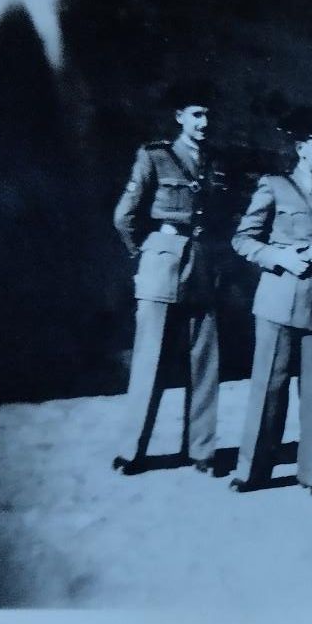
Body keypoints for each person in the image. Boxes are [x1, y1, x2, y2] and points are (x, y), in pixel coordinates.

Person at [229, 108, 312, 501]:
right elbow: (243, 239)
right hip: (277, 301)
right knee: (268, 387)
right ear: (301, 149)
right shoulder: (274, 186)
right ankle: (251, 470)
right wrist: (280, 258)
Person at [111, 81, 229, 477]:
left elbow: (221, 216)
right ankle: (132, 451)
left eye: (208, 115)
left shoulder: (214, 160)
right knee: (150, 360)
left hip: (202, 267)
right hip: (163, 265)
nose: (204, 122)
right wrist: (145, 252)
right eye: (196, 114)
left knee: (205, 363)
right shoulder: (155, 157)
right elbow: (124, 215)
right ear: (179, 117)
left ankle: (202, 451)